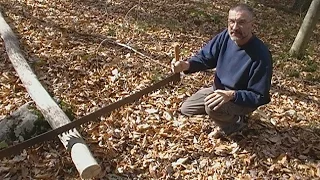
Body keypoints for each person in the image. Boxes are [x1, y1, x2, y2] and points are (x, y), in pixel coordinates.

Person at [173, 4, 272, 138]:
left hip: (240, 99)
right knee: (187, 108)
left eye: (241, 22)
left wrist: (232, 95)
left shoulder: (261, 55)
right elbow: (206, 57)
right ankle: (225, 115)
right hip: (218, 90)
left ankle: (236, 123)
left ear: (252, 25)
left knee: (212, 107)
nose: (235, 27)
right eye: (231, 21)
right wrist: (186, 65)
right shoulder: (225, 36)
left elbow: (259, 96)